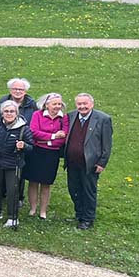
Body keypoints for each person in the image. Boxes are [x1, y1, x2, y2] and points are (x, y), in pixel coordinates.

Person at [65, 93, 113, 230]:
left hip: (90, 164)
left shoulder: (103, 119)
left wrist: (102, 163)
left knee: (88, 191)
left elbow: (107, 144)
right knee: (73, 189)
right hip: (73, 162)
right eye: (79, 104)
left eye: (85, 104)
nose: (82, 106)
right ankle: (79, 214)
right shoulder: (71, 116)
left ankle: (88, 219)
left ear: (91, 104)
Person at [0, 100, 34, 227]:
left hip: (13, 164)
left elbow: (31, 147)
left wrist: (23, 145)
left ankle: (12, 216)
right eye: (6, 111)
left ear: (17, 113)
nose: (9, 114)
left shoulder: (23, 128)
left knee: (12, 191)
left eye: (12, 111)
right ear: (2, 113)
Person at [25, 92, 68, 220]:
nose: (57, 106)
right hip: (36, 152)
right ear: (47, 104)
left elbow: (63, 137)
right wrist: (53, 136)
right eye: (54, 104)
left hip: (52, 154)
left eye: (59, 104)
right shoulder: (37, 115)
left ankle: (43, 211)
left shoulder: (63, 118)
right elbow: (33, 132)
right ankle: (33, 208)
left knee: (46, 183)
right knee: (33, 181)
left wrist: (45, 139)